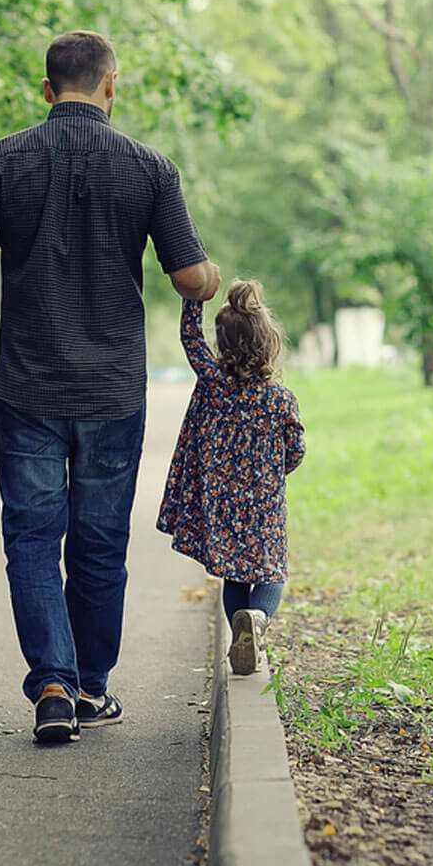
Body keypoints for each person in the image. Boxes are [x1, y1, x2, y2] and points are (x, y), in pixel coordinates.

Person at [0, 30, 221, 744]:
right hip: (114, 389)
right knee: (98, 540)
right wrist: (210, 279)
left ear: (47, 89)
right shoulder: (149, 168)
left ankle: (51, 684)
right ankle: (90, 686)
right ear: (110, 86)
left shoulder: (0, 162)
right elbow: (188, 276)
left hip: (28, 386)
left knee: (30, 535)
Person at [157, 281, 305, 675]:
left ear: (222, 344)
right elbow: (296, 450)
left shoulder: (213, 384)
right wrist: (275, 471)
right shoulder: (280, 398)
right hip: (264, 502)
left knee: (234, 573)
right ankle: (257, 620)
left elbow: (190, 336)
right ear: (269, 343)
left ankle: (241, 629)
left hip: (222, 501)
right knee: (272, 571)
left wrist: (194, 288)